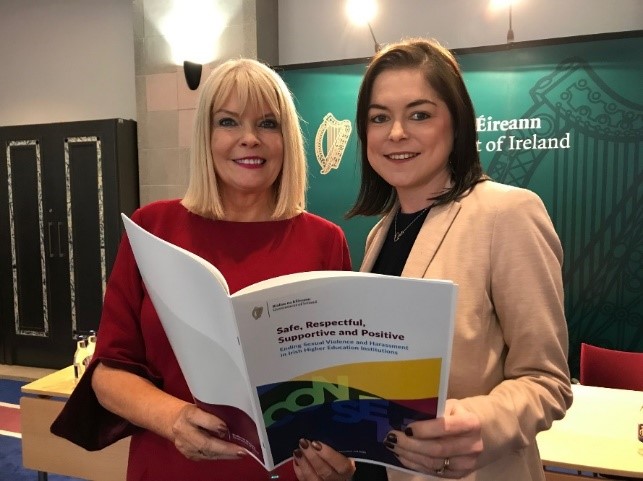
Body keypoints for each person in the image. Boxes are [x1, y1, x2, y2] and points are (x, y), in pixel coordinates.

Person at [51, 58, 356, 481]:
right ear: (205, 136)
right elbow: (108, 374)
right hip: (171, 464)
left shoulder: (325, 241)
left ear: (287, 139)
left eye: (268, 124)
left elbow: (339, 381)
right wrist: (173, 418)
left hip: (285, 471)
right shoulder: (152, 228)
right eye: (228, 122)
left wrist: (340, 455)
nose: (249, 139)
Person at [343, 38, 573, 480]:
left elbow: (547, 382)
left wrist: (479, 425)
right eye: (379, 118)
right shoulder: (380, 232)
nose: (396, 133)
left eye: (420, 114)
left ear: (457, 124)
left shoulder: (507, 213)